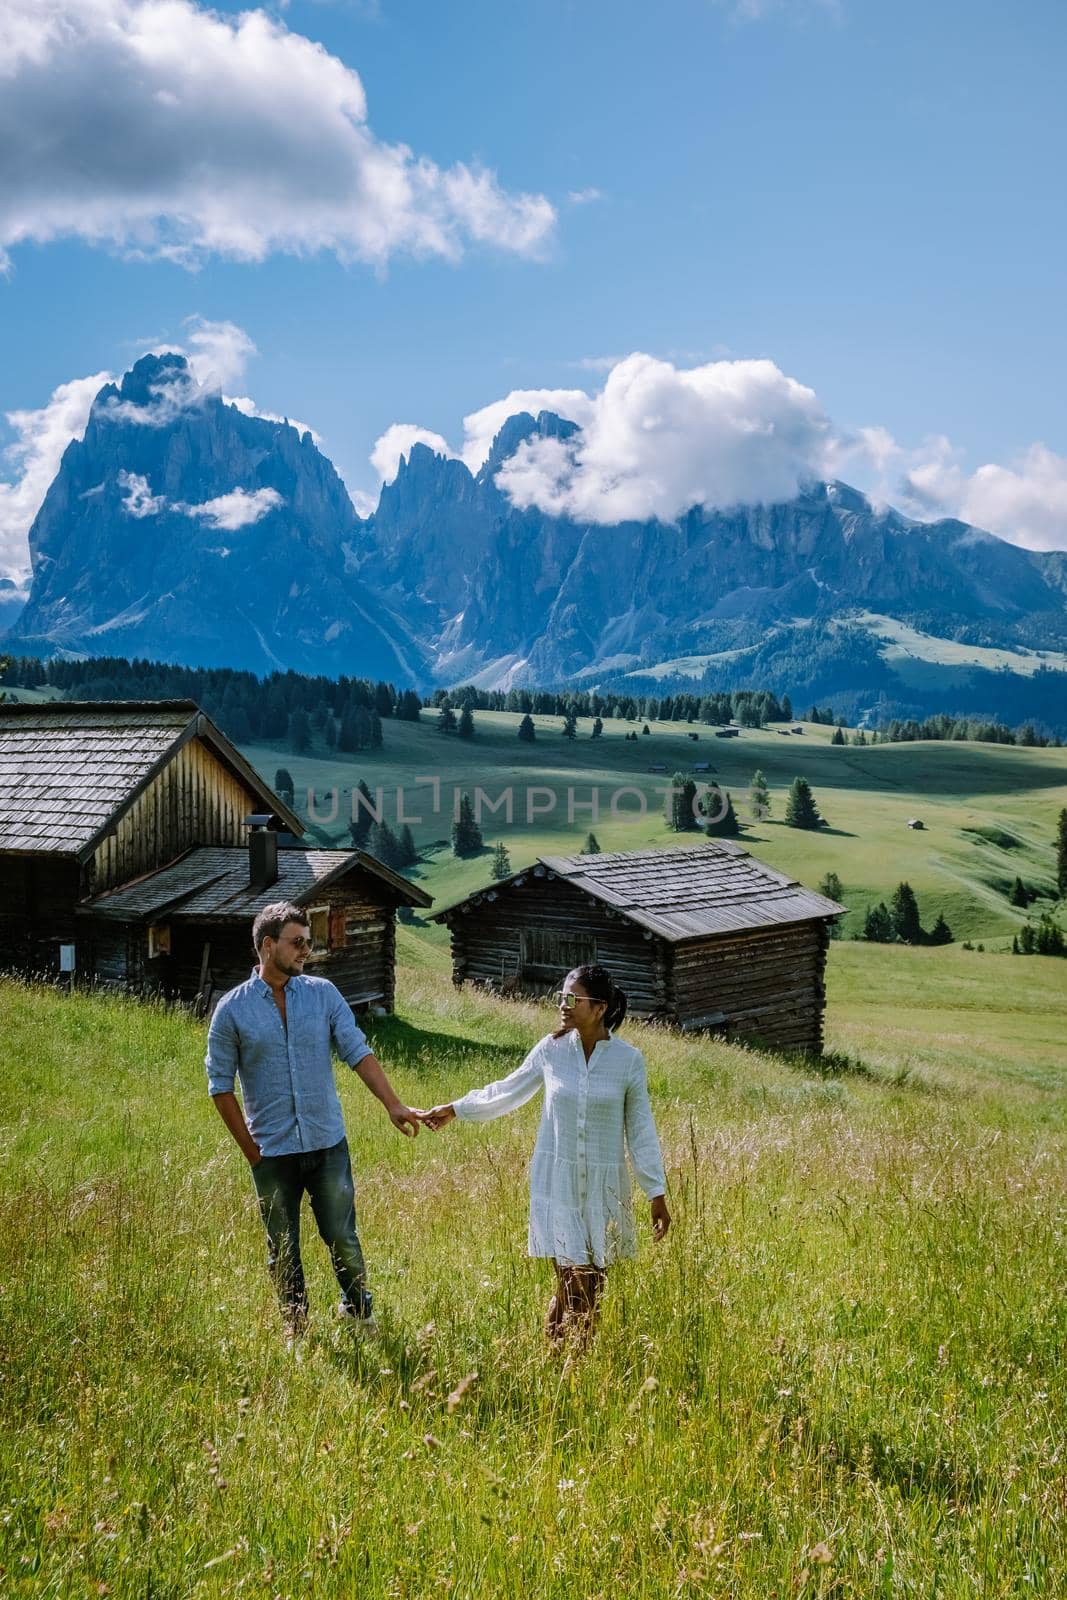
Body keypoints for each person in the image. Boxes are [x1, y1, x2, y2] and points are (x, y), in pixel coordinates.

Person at [206, 900, 419, 1341]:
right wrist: (252, 1153)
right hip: (272, 1152)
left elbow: (357, 1051)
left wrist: (393, 1105)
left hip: (326, 1144)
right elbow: (220, 1087)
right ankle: (296, 1332)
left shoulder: (324, 995)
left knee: (343, 1239)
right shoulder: (231, 1011)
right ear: (268, 946)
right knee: (283, 1250)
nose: (307, 950)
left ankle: (360, 1317)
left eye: (309, 941)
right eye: (297, 942)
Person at [422, 963, 669, 1343]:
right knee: (576, 1284)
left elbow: (641, 1130)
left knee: (589, 1289)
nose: (563, 1005)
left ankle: (560, 1366)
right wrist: (456, 1108)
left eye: (573, 998)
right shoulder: (551, 1050)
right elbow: (507, 1090)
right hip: (558, 1187)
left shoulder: (628, 1061)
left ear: (600, 1007)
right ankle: (567, 1367)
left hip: (605, 1192)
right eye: (562, 997)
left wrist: (656, 1193)